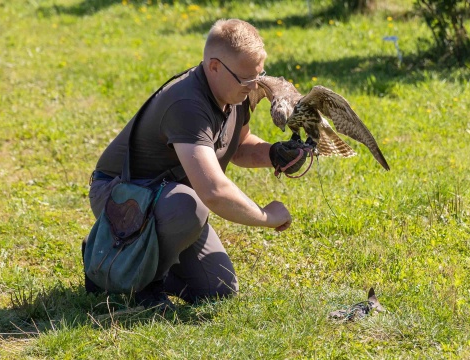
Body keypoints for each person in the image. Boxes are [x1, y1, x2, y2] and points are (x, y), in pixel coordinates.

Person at [84, 18, 310, 310]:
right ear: (214, 66)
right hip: (120, 195)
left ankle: (111, 264)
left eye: (259, 75)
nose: (255, 86)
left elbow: (237, 144)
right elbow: (213, 191)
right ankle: (139, 282)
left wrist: (274, 154)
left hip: (165, 198)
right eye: (246, 79)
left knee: (217, 288)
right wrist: (267, 217)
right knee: (190, 207)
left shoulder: (235, 91)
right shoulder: (187, 104)